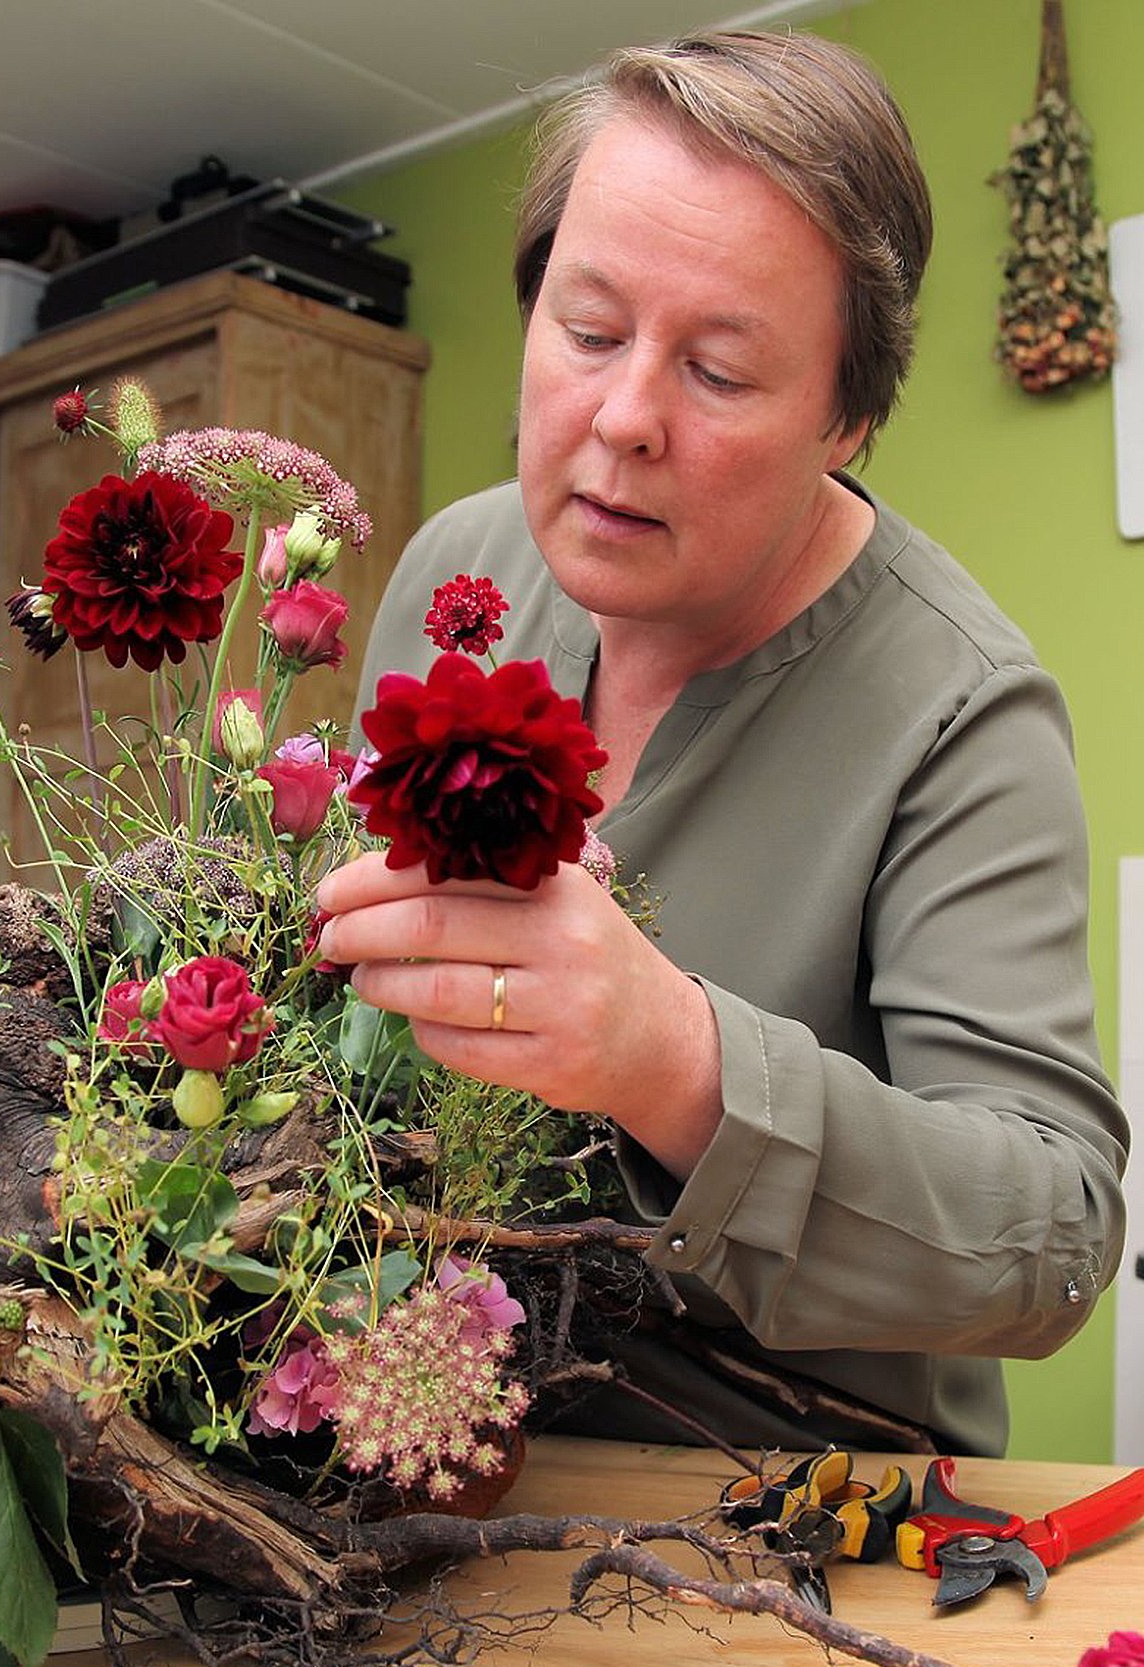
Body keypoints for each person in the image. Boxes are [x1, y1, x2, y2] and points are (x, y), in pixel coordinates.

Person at [318, 29, 1127, 1457]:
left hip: (797, 1519)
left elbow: (1056, 1237)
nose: (624, 420)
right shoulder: (460, 572)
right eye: (588, 330)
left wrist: (673, 1060)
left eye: (723, 372)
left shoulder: (961, 712)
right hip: (442, 1452)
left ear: (848, 421)